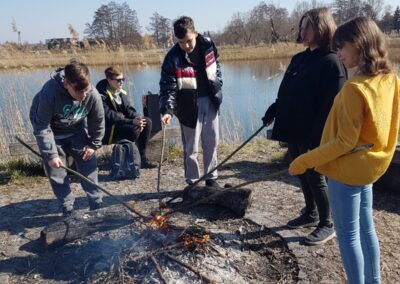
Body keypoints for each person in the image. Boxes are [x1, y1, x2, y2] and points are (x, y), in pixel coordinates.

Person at [289, 17, 399, 283]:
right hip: (370, 166)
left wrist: (304, 160)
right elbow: (390, 122)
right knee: (367, 229)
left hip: (347, 171)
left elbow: (343, 143)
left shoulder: (354, 89)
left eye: (342, 47)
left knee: (349, 235)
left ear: (359, 45)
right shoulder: (389, 79)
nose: (338, 53)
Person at [262, 7, 346, 245]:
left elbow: (331, 104)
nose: (302, 31)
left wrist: (316, 136)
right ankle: (310, 213)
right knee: (299, 170)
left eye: (307, 26)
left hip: (314, 133)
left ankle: (327, 224)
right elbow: (287, 92)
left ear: (321, 27)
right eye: (301, 26)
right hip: (294, 128)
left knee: (315, 176)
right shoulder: (299, 59)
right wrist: (274, 109)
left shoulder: (331, 62)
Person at [30, 61, 105, 216]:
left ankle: (97, 203)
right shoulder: (50, 93)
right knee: (56, 171)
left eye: (86, 90)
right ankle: (67, 207)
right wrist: (51, 155)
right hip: (52, 132)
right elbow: (42, 126)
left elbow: (97, 121)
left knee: (88, 163)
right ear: (66, 84)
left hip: (76, 130)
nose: (83, 95)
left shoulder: (92, 95)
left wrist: (93, 144)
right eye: (79, 91)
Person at [159, 16, 223, 187]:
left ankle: (211, 179)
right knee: (191, 148)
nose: (186, 46)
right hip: (188, 106)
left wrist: (219, 85)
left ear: (195, 32)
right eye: (181, 42)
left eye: (188, 40)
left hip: (210, 101)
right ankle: (192, 183)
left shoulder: (208, 45)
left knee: (211, 142)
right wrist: (167, 110)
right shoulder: (172, 57)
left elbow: (217, 69)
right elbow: (167, 87)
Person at [96, 66, 157, 169]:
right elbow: (108, 115)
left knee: (147, 122)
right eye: (118, 80)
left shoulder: (121, 89)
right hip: (108, 129)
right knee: (134, 130)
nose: (121, 82)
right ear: (109, 80)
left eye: (123, 79)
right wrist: (131, 121)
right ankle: (125, 160)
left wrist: (138, 118)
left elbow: (128, 108)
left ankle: (142, 159)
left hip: (121, 123)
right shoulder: (100, 93)